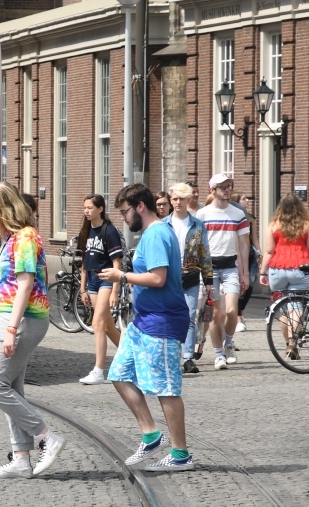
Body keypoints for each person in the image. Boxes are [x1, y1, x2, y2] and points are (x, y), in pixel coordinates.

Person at [99, 183, 193, 471]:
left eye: (125, 212)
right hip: (144, 320)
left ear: (140, 206)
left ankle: (181, 456)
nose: (124, 219)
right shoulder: (153, 233)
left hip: (162, 320)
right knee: (119, 373)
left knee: (166, 388)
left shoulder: (155, 235)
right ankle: (151, 435)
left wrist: (121, 276)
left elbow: (158, 278)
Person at [0, 182, 65, 479]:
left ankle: (46, 437)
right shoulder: (12, 237)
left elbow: (26, 283)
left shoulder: (25, 237)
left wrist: (12, 328)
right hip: (12, 319)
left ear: (1, 208)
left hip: (21, 320)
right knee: (12, 389)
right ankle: (21, 459)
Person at [195, 173, 249, 369]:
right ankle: (218, 354)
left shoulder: (238, 214)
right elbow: (198, 244)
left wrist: (244, 274)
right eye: (223, 187)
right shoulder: (202, 215)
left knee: (232, 310)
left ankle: (228, 342)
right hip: (210, 270)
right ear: (213, 190)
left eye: (229, 186)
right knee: (215, 314)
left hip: (230, 267)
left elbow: (243, 245)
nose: (227, 190)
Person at [258, 194, 309, 359]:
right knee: (297, 308)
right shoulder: (306, 226)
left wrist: (263, 272)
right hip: (300, 269)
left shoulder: (273, 225)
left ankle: (288, 343)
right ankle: (293, 342)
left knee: (284, 309)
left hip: (278, 269)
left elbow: (269, 252)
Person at [165, 182, 213, 374]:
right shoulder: (163, 225)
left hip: (191, 276)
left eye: (181, 199)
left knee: (190, 316)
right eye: (175, 199)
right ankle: (171, 355)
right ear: (170, 200)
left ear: (187, 200)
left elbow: (205, 254)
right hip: (169, 277)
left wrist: (209, 280)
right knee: (169, 316)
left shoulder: (197, 225)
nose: (178, 203)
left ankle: (188, 358)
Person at [76, 194, 124, 385]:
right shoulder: (86, 231)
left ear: (100, 209)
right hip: (92, 280)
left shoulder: (108, 230)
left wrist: (115, 290)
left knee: (97, 323)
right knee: (108, 327)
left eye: (89, 207)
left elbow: (117, 261)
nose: (86, 211)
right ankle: (135, 357)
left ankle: (98, 371)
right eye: (84, 207)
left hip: (107, 278)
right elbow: (84, 263)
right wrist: (82, 288)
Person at [230, 193, 260, 332]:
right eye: (243, 198)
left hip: (250, 255)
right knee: (237, 287)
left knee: (250, 284)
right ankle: (238, 318)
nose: (247, 200)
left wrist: (259, 254)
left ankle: (240, 311)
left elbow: (254, 238)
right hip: (236, 255)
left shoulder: (250, 218)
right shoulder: (231, 216)